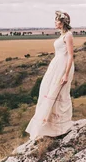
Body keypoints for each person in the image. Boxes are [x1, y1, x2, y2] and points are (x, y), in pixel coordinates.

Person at [25, 10, 75, 141]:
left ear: (62, 22)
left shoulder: (68, 35)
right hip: (56, 66)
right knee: (47, 91)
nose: (55, 22)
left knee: (59, 93)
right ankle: (46, 125)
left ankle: (60, 126)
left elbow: (71, 55)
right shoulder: (62, 36)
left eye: (56, 20)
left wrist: (66, 74)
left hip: (63, 66)